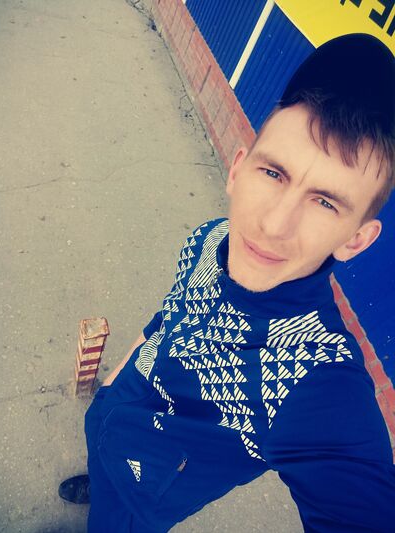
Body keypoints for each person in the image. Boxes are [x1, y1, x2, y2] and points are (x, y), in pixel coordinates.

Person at [59, 33, 395, 532]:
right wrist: (118, 379)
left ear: (356, 240)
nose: (273, 225)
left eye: (326, 202)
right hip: (114, 412)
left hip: (146, 496)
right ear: (238, 170)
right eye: (274, 173)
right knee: (104, 455)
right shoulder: (212, 236)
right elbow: (170, 313)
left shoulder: (314, 381)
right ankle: (102, 473)